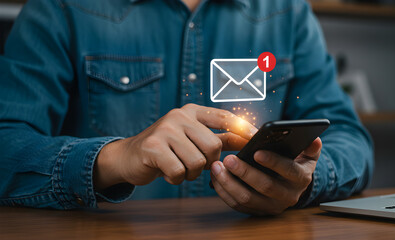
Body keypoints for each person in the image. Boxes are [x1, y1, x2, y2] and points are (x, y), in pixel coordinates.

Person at [0, 0, 373, 215]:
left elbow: (351, 140)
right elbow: (6, 142)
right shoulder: (61, 7)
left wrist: (303, 181)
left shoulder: (286, 12)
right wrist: (116, 157)